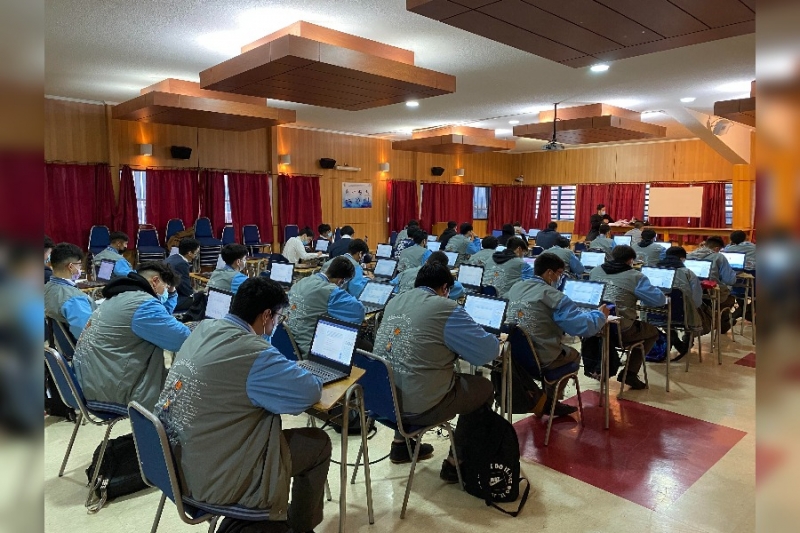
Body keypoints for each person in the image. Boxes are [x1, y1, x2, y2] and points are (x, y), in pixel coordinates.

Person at [157, 277, 330, 533]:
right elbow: (307, 392)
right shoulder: (251, 351)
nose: (277, 325)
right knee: (318, 443)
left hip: (175, 460)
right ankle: (300, 527)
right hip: (214, 474)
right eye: (279, 318)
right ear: (266, 315)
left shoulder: (204, 329)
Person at [373, 263, 499, 480]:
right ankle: (456, 462)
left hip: (384, 401)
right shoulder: (445, 307)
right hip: (420, 406)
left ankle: (400, 444)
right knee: (485, 388)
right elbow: (486, 353)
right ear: (445, 288)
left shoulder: (395, 301)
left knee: (406, 366)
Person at [73, 262, 190, 409]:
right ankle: (159, 431)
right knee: (191, 393)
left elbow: (160, 317)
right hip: (111, 390)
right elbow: (182, 340)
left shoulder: (122, 296)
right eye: (166, 287)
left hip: (93, 381)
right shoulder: (144, 305)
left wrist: (171, 293)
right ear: (155, 281)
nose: (166, 291)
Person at [506, 253, 608, 413]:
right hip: (541, 359)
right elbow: (581, 327)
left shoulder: (516, 287)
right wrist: (600, 315)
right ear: (549, 273)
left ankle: (545, 400)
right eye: (560, 273)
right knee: (573, 355)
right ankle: (552, 403)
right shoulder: (555, 296)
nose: (560, 278)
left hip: (515, 357)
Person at [589, 246, 667, 390]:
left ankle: (604, 367)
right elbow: (659, 301)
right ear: (631, 260)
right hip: (621, 329)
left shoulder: (595, 270)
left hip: (595, 326)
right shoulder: (635, 276)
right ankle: (629, 373)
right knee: (652, 332)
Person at [286, 256, 366, 358]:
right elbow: (358, 311)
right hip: (308, 350)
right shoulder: (330, 291)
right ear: (341, 281)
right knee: (362, 344)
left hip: (288, 345)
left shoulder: (302, 281)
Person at [657, 246, 705, 361]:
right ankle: (687, 341)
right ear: (682, 259)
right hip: (682, 315)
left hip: (655, 315)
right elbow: (696, 301)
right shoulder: (688, 273)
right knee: (695, 310)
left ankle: (674, 338)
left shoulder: (652, 271)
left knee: (665, 314)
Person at [44, 243, 94, 341]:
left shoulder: (45, 288)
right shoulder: (75, 300)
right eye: (79, 265)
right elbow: (88, 338)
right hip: (81, 350)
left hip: (59, 345)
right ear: (71, 267)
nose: (80, 269)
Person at [687, 236, 738, 333]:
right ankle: (721, 324)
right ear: (717, 249)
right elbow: (730, 280)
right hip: (711, 296)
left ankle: (722, 323)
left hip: (691, 295)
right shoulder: (719, 257)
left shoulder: (689, 255)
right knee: (730, 298)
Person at [390, 251, 465, 299]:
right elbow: (460, 289)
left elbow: (391, 285)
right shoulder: (440, 278)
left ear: (426, 261)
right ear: (444, 268)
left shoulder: (406, 272)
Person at [165, 237, 200, 312]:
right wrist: (197, 293)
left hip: (163, 294)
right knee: (199, 299)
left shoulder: (173, 257)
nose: (196, 256)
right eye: (196, 253)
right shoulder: (181, 264)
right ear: (190, 253)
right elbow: (186, 290)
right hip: (168, 299)